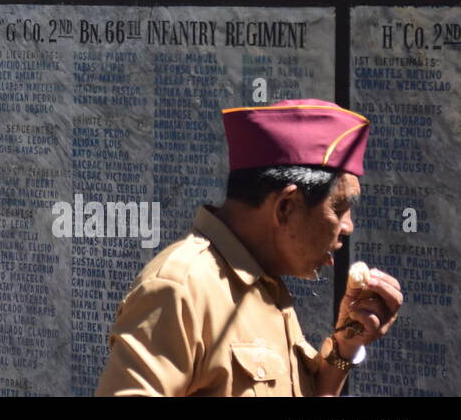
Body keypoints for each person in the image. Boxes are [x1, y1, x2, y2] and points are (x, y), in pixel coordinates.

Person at [95, 98, 404, 396]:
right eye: (339, 208)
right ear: (286, 207)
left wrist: (346, 345)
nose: (347, 227)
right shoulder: (180, 288)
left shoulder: (265, 284)